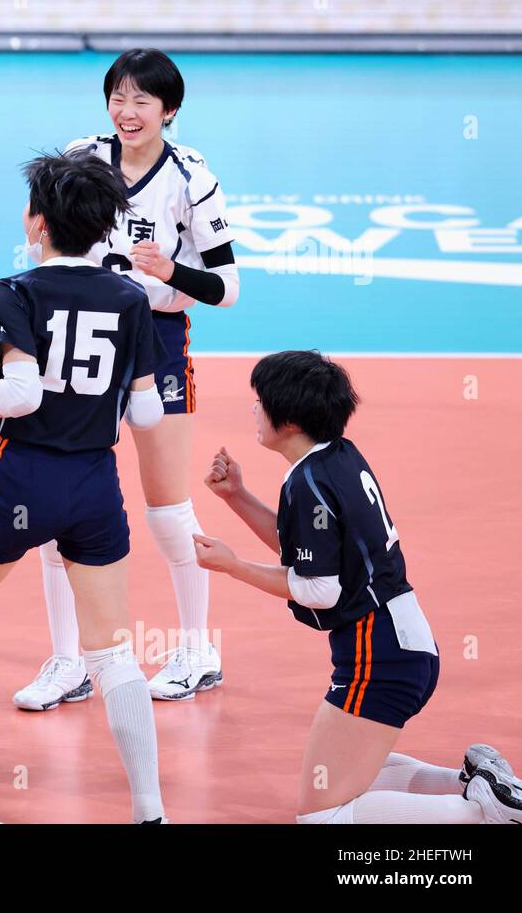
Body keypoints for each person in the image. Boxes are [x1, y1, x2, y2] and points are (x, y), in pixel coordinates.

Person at [0, 152, 169, 823]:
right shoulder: (132, 298)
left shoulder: (14, 292)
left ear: (36, 221)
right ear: (105, 226)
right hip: (95, 483)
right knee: (112, 652)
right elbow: (149, 414)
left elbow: (21, 393)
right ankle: (149, 808)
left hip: (25, 476)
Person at [194, 350, 520, 823]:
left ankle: (480, 814)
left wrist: (232, 566)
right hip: (406, 642)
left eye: (259, 401)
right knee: (345, 774)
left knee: (321, 816)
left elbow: (319, 589)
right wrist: (237, 497)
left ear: (287, 419)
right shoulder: (336, 459)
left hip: (379, 655)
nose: (253, 410)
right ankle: (473, 784)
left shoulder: (307, 483)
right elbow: (307, 548)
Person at [19, 48, 242, 710]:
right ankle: (70, 662)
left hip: (155, 340)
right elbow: (37, 238)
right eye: (118, 96)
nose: (127, 111)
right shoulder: (81, 156)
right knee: (58, 501)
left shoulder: (191, 176)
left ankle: (197, 650)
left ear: (169, 110)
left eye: (143, 100)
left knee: (167, 507)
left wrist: (171, 274)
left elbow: (227, 289)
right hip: (84, 336)